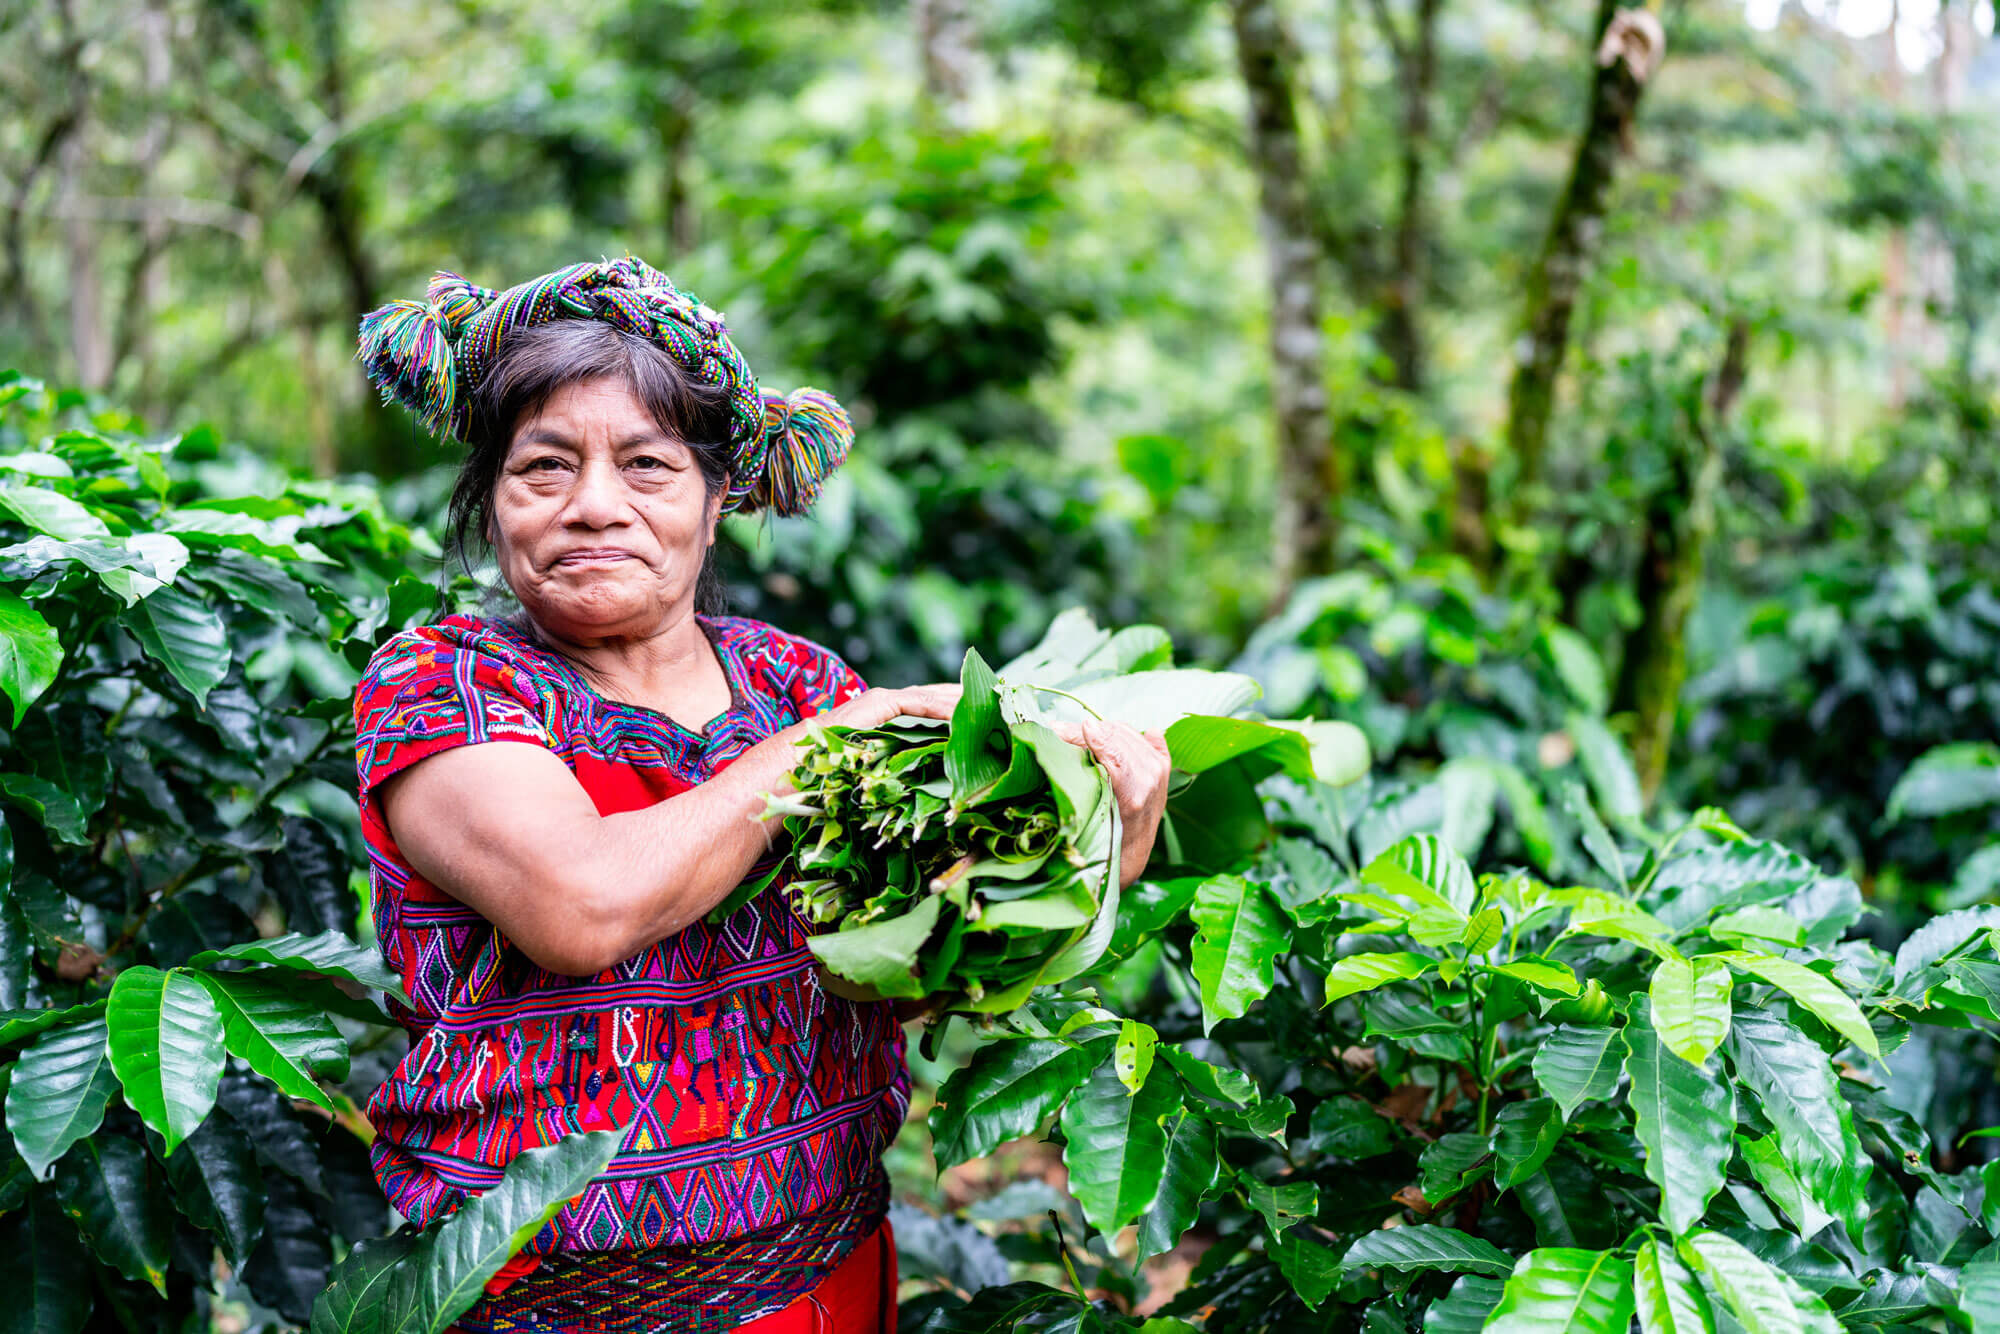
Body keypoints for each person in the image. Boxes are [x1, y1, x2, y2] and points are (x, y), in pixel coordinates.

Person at [349, 259, 1173, 1333]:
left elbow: (929, 965)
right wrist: (823, 745)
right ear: (491, 495)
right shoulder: (445, 683)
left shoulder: (795, 681)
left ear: (716, 493)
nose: (594, 506)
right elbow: (579, 906)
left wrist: (1115, 834)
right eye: (543, 467)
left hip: (819, 1276)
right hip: (538, 1307)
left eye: (646, 465)